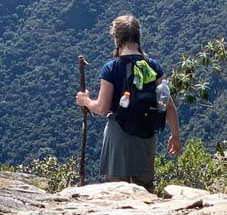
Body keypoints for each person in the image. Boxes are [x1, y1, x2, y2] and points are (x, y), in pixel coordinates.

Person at [75, 14, 181, 192]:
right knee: (145, 189)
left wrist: (85, 100)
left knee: (116, 191)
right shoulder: (152, 66)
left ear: (117, 38)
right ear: (138, 37)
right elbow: (168, 104)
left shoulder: (111, 68)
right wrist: (175, 135)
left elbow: (101, 108)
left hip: (118, 136)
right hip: (146, 136)